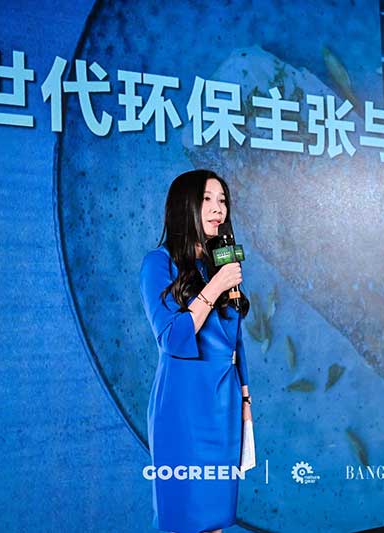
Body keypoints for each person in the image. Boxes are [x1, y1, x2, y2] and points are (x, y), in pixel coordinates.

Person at [139, 169, 252, 533]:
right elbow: (172, 338)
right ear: (184, 205)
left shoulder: (220, 263)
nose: (218, 208)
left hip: (225, 403)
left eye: (222, 200)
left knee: (216, 518)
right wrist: (215, 286)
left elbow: (235, 338)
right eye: (207, 199)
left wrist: (246, 398)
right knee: (184, 517)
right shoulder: (158, 263)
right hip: (183, 404)